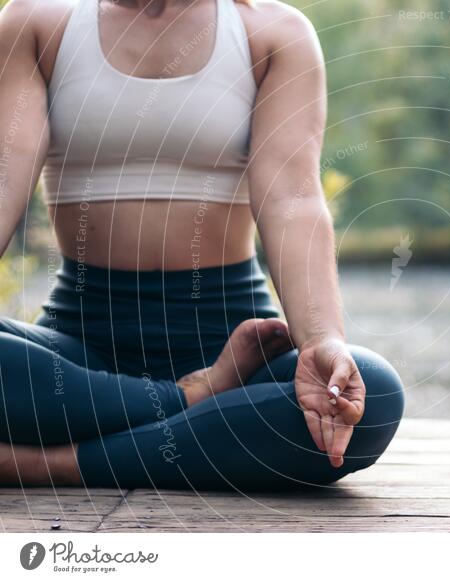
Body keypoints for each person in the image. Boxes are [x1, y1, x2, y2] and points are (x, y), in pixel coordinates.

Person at [0, 0, 404, 491]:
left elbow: (292, 200)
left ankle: (44, 464)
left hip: (235, 344)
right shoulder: (37, 22)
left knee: (372, 396)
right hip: (78, 347)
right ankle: (193, 402)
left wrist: (322, 339)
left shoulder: (274, 33)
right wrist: (201, 394)